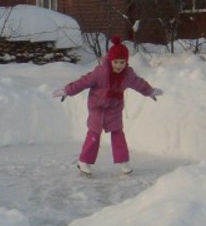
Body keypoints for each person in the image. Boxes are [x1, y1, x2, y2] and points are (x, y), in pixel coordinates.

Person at [53, 37, 162, 175]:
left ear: (126, 62)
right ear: (110, 60)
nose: (119, 65)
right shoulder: (101, 72)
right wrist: (68, 90)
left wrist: (150, 91)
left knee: (118, 134)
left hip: (114, 109)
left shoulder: (128, 74)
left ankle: (123, 162)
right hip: (97, 108)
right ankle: (84, 161)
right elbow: (83, 82)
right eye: (116, 62)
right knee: (94, 135)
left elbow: (138, 83)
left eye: (122, 62)